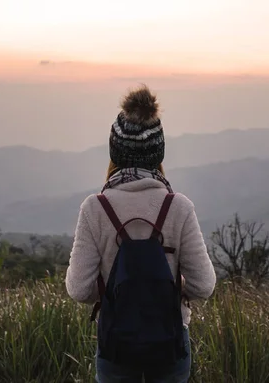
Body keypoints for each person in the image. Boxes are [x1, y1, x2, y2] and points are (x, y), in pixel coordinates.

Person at [65, 84, 216, 383]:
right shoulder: (179, 207)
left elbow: (79, 290)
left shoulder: (95, 208)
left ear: (115, 152)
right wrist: (168, 286)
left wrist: (120, 289)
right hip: (169, 343)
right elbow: (204, 286)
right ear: (158, 152)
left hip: (116, 345)